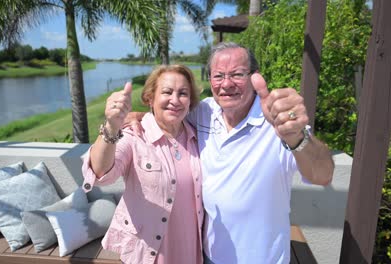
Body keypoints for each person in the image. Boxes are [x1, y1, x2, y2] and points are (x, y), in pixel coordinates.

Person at [187, 42, 334, 264]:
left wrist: (297, 137)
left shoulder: (278, 121)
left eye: (237, 74)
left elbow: (323, 174)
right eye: (218, 76)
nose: (226, 84)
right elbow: (168, 118)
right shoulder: (204, 112)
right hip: (211, 256)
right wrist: (140, 118)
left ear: (254, 77)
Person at [81, 64, 204, 264]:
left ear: (190, 101)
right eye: (167, 92)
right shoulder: (135, 136)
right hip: (149, 253)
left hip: (190, 250)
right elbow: (101, 171)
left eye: (183, 93)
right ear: (150, 98)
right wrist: (112, 125)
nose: (175, 100)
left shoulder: (197, 136)